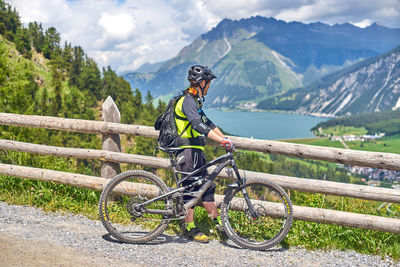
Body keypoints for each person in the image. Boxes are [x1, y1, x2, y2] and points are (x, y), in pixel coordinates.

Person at [174, 65, 235, 243]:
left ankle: (221, 226)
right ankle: (189, 229)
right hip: (186, 151)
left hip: (196, 151)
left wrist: (225, 139)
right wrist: (220, 141)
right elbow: (196, 124)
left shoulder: (195, 101)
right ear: (202, 83)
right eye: (208, 84)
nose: (209, 87)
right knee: (190, 190)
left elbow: (207, 122)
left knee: (207, 187)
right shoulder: (187, 101)